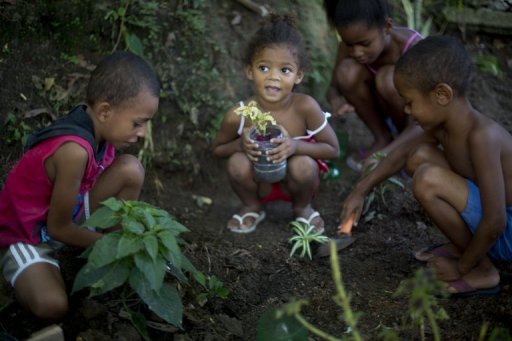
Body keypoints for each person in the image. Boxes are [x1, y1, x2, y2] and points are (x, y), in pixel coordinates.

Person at [339, 35, 512, 297]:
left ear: (442, 95)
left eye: (410, 101)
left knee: (427, 179)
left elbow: (496, 220)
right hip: (493, 222)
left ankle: (482, 270)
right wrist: (359, 191)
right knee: (418, 156)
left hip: (506, 232)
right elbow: (399, 156)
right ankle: (466, 246)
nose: (406, 110)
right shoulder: (442, 126)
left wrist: (462, 268)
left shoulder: (482, 137)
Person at [0, 51, 160, 320]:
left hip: (65, 214)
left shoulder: (100, 129)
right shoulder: (74, 151)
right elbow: (57, 227)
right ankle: (113, 252)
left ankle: (116, 252)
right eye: (137, 123)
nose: (142, 132)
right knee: (53, 306)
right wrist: (113, 247)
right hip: (28, 234)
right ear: (105, 111)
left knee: (131, 169)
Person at [212, 14, 339, 234]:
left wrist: (295, 146)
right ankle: (252, 206)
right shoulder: (239, 114)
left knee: (304, 164)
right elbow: (217, 149)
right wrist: (240, 146)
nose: (273, 77)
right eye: (263, 68)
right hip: (259, 184)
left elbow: (332, 149)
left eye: (285, 70)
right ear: (249, 71)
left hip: (297, 184)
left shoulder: (306, 107)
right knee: (236, 162)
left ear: (298, 76)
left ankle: (302, 208)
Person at [324, 0, 423, 172]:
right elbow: (333, 88)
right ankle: (382, 138)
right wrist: (336, 101)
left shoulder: (415, 49)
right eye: (349, 44)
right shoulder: (349, 46)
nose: (356, 52)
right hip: (383, 110)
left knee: (388, 79)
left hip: (415, 123)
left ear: (387, 26)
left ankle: (402, 147)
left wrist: (383, 156)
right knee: (346, 72)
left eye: (364, 44)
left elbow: (423, 122)